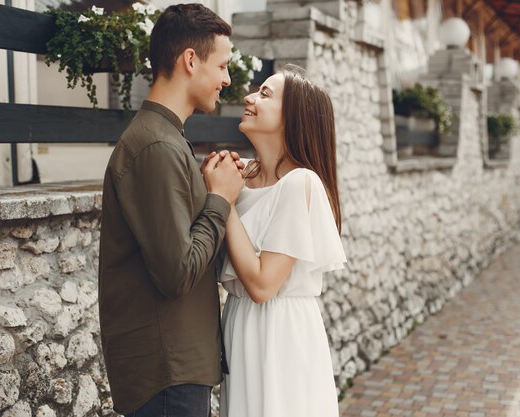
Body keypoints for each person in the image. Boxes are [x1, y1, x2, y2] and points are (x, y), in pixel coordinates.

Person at [98, 4, 244, 416]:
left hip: (175, 369)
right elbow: (176, 272)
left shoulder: (166, 140)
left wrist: (204, 192)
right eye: (223, 66)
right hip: (166, 375)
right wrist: (220, 199)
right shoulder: (156, 145)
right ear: (190, 60)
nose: (227, 79)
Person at [208, 65, 347, 417]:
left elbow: (262, 284)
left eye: (265, 94)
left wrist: (223, 201)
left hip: (280, 333)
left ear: (292, 118)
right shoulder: (243, 175)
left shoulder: (300, 183)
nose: (248, 97)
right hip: (239, 325)